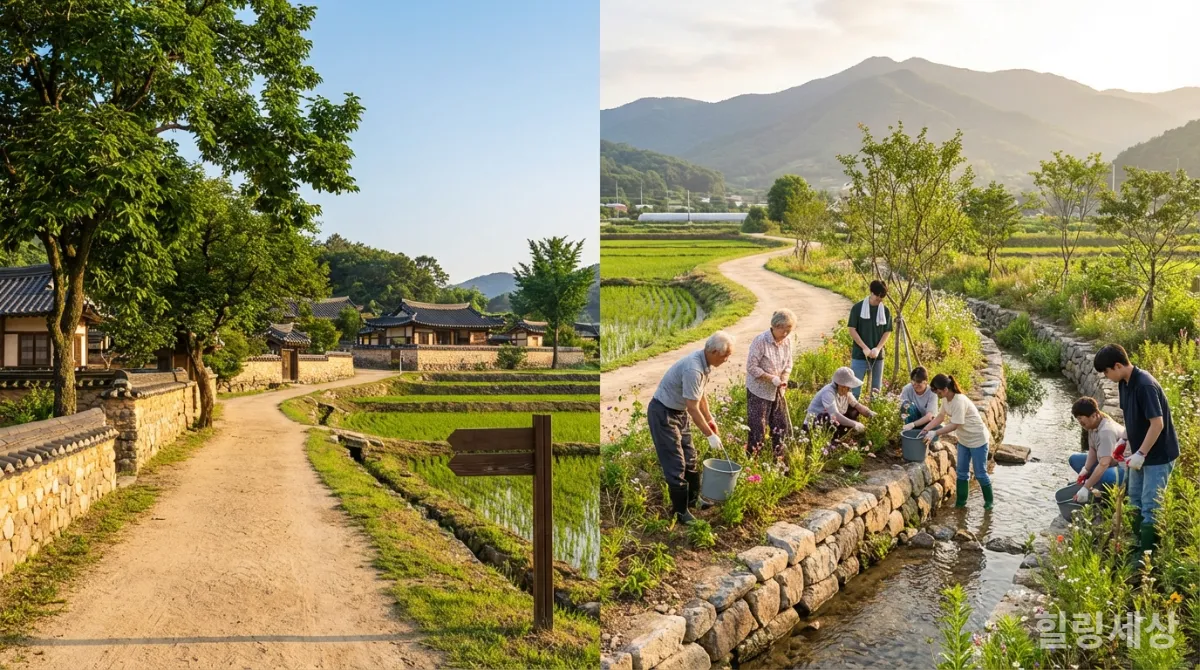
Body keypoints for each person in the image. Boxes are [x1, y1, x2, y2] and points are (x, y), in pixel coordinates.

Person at [1093, 344, 1178, 553]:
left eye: (1106, 371)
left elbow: (1157, 423)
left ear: (1118, 365)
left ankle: (1147, 556)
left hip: (1158, 454)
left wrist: (1141, 453)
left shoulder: (1144, 385)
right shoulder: (1124, 383)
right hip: (1140, 452)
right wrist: (1123, 439)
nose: (1106, 376)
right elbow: (1132, 418)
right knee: (1135, 499)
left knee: (1151, 504)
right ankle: (1138, 543)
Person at [648, 331, 735, 524]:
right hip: (663, 413)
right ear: (712, 351)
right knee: (676, 463)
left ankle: (694, 501)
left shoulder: (705, 363)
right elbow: (692, 408)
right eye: (725, 355)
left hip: (678, 413)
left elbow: (700, 396)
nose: (727, 359)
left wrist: (710, 419)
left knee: (690, 457)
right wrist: (710, 436)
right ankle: (680, 512)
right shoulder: (693, 369)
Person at [922, 373, 993, 510]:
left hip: (978, 439)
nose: (936, 394)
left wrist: (935, 433)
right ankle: (961, 502)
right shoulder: (945, 400)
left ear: (945, 389)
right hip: (964, 440)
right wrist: (926, 429)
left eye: (937, 391)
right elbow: (941, 417)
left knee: (980, 473)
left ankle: (989, 503)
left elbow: (955, 425)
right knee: (961, 472)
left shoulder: (959, 401)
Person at [746, 309, 795, 457]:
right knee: (758, 427)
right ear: (774, 326)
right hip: (759, 391)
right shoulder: (761, 341)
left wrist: (784, 380)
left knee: (780, 426)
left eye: (789, 330)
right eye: (783, 330)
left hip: (778, 391)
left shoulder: (787, 341)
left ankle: (778, 458)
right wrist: (771, 378)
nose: (785, 334)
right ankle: (753, 459)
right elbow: (751, 367)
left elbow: (788, 364)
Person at [1068, 396, 1128, 502]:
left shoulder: (1106, 431)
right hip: (1108, 462)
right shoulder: (1092, 426)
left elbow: (1104, 463)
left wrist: (1086, 487)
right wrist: (1085, 470)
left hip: (1122, 468)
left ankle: (1096, 489)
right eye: (1078, 419)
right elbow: (1093, 450)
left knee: (1105, 475)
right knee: (1074, 459)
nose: (1080, 422)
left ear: (1094, 415)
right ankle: (1093, 483)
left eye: (1081, 419)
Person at [803, 367, 876, 441]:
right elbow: (835, 415)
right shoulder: (828, 392)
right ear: (841, 386)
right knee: (829, 417)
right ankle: (831, 440)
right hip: (814, 425)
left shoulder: (846, 392)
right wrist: (855, 424)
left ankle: (839, 435)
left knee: (854, 410)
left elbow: (857, 405)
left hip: (829, 422)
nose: (849, 389)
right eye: (847, 387)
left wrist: (870, 414)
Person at [848, 280, 892, 399]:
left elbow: (887, 331)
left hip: (877, 356)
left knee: (876, 391)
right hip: (860, 355)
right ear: (871, 293)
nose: (879, 301)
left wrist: (878, 348)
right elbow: (852, 329)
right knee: (854, 390)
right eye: (877, 298)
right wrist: (864, 348)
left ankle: (873, 415)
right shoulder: (857, 308)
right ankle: (852, 416)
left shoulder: (885, 311)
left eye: (881, 299)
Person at [899, 366, 939, 431]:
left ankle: (916, 430)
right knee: (905, 404)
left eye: (919, 382)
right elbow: (900, 407)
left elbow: (929, 416)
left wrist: (913, 424)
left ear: (926, 381)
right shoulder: (907, 389)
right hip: (912, 419)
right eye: (913, 382)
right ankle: (909, 431)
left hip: (926, 422)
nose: (916, 385)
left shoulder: (932, 392)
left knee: (934, 427)